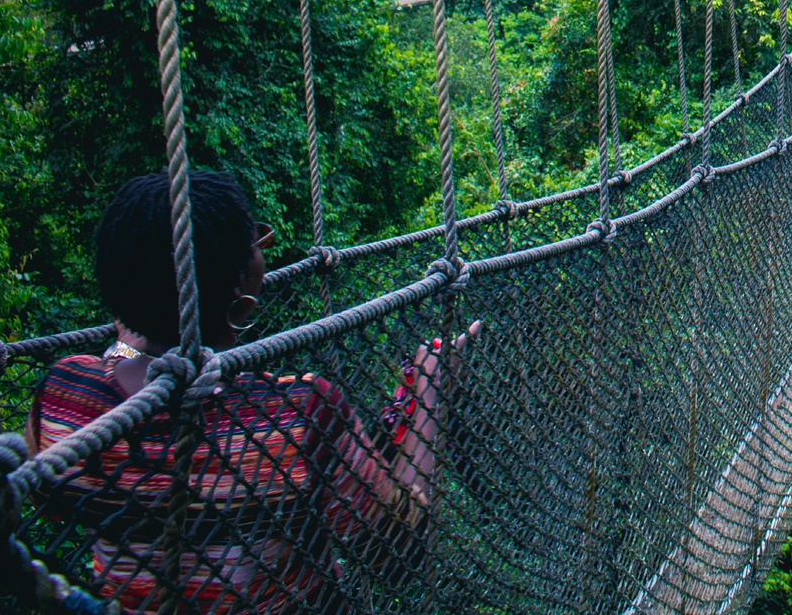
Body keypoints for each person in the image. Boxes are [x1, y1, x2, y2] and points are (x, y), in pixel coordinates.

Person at [24, 170, 479, 613]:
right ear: (241, 285)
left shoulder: (66, 398)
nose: (264, 254)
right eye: (254, 246)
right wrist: (429, 395)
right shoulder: (300, 416)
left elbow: (52, 501)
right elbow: (399, 555)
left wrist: (137, 324)